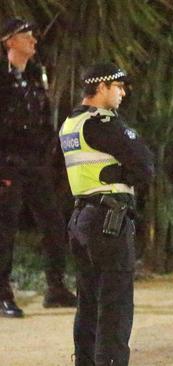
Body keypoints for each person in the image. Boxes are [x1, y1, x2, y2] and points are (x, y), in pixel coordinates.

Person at [59, 63, 154, 366]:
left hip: (80, 220)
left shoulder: (70, 124)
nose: (123, 92)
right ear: (101, 88)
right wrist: (123, 172)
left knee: (88, 302)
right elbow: (145, 164)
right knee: (115, 304)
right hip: (108, 221)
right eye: (118, 86)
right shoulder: (102, 123)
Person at [0, 17, 76, 318]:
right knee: (6, 230)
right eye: (26, 35)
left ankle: (55, 287)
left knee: (54, 223)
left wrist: (48, 154)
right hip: (8, 163)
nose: (33, 39)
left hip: (35, 162)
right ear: (9, 42)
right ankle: (4, 292)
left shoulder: (36, 74)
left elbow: (45, 118)